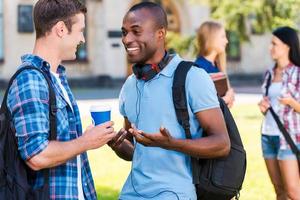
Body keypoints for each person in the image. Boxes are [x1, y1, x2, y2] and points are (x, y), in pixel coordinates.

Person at [108, 2, 230, 200]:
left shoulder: (193, 77)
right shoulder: (129, 85)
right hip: (130, 194)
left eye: (136, 31)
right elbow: (136, 153)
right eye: (124, 32)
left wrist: (171, 143)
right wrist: (118, 144)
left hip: (175, 194)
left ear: (160, 33)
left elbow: (222, 144)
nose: (127, 39)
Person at [6, 0, 116, 199]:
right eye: (80, 30)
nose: (83, 38)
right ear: (61, 29)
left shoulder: (56, 77)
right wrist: (85, 141)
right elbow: (36, 155)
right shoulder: (30, 79)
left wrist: (84, 138)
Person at [258, 26, 300, 200]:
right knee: (279, 190)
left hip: (288, 138)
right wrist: (263, 107)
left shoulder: (297, 73)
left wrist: (291, 102)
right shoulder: (269, 73)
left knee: (293, 191)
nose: (270, 47)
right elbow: (270, 106)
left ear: (287, 46)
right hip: (268, 136)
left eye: (274, 44)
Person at [194, 21, 235, 108]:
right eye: (223, 37)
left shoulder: (217, 65)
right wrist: (226, 100)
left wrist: (229, 99)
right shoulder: (199, 68)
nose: (226, 41)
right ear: (212, 38)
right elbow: (201, 105)